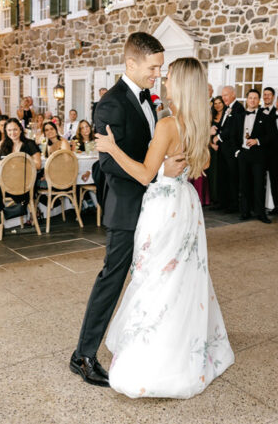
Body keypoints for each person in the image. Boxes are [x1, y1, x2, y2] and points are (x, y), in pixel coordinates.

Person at [92, 56, 233, 399]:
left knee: (155, 277)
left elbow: (143, 173)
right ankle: (184, 348)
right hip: (186, 204)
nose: (164, 81)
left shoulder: (169, 124)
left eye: (169, 77)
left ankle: (154, 358)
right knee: (181, 277)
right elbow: (202, 166)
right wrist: (173, 167)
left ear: (181, 85)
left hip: (164, 208)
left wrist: (111, 147)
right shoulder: (199, 124)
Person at [70, 32, 188, 389]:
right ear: (131, 63)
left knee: (150, 276)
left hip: (153, 204)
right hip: (126, 207)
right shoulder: (110, 104)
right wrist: (156, 174)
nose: (157, 74)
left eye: (160, 68)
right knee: (113, 277)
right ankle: (83, 355)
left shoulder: (149, 100)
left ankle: (145, 344)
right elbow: (107, 163)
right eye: (153, 68)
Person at [0, 118, 42, 240]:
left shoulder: (29, 144)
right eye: (9, 130)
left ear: (20, 129)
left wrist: (19, 162)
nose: (12, 133)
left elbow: (38, 165)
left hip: (24, 185)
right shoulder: (5, 145)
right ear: (6, 131)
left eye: (15, 129)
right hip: (7, 183)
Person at [221, 88, 272, 223]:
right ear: (247, 99)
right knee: (244, 185)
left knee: (259, 185)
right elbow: (232, 137)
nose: (252, 100)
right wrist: (237, 152)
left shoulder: (265, 116)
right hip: (243, 155)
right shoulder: (239, 116)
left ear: (258, 100)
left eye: (255, 98)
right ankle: (245, 212)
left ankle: (260, 213)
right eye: (250, 98)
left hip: (258, 156)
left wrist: (257, 141)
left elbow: (271, 136)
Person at [215, 85, 244, 213]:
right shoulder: (227, 108)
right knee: (222, 176)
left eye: (226, 95)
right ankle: (222, 202)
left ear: (233, 94)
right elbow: (224, 125)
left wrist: (219, 137)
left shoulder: (238, 108)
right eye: (223, 95)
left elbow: (233, 129)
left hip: (232, 149)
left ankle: (233, 205)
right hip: (223, 148)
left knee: (232, 177)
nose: (224, 98)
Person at [207, 96, 227, 209]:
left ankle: (221, 198)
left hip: (223, 149)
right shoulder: (211, 117)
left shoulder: (226, 116)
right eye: (215, 103)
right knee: (213, 174)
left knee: (221, 173)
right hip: (212, 149)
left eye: (220, 103)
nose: (218, 105)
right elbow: (205, 132)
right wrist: (211, 144)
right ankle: (214, 198)